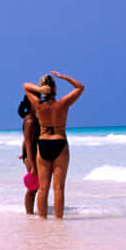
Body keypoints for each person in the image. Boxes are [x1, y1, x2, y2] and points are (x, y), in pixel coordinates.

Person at [22, 71, 85, 219]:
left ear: (44, 89)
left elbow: (25, 86)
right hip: (60, 143)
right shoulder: (63, 103)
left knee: (43, 188)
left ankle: (42, 223)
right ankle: (58, 224)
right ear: (55, 89)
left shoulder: (38, 105)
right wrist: (64, 77)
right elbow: (80, 87)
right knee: (59, 188)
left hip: (43, 144)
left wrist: (39, 90)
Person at [18, 96, 40, 215]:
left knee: (36, 187)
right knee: (33, 188)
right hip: (32, 157)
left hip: (30, 155)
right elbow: (28, 142)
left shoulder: (32, 118)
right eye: (37, 101)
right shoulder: (30, 121)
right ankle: (29, 214)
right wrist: (32, 163)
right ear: (31, 104)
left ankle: (31, 213)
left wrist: (23, 154)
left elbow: (25, 140)